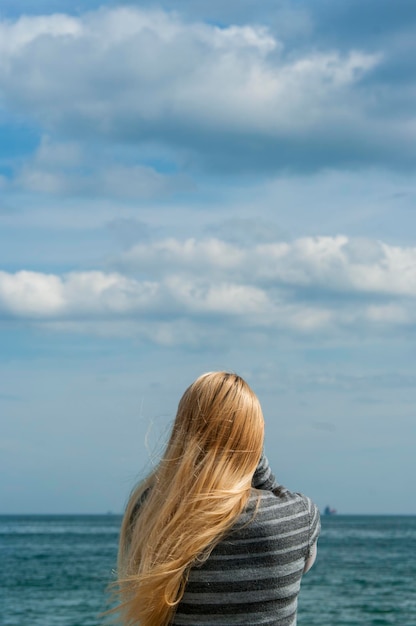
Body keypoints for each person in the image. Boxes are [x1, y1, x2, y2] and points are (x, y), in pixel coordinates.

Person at [111, 372, 320, 625]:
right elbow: (302, 564)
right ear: (257, 436)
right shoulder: (298, 516)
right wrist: (251, 455)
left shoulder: (149, 510)